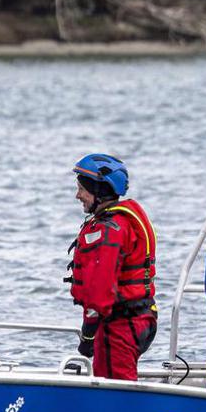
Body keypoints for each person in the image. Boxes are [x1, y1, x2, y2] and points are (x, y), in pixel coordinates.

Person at [66, 153, 158, 381]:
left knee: (118, 388)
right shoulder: (123, 221)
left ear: (99, 190)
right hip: (139, 317)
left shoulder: (108, 230)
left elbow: (100, 289)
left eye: (82, 189)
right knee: (112, 381)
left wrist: (87, 335)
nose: (78, 196)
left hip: (120, 325)